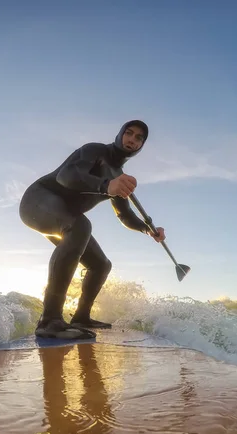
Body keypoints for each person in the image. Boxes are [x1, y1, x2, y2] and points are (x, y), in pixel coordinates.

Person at [18, 120, 166, 340]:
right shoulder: (95, 150)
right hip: (37, 201)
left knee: (100, 264)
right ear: (119, 134)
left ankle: (81, 316)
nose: (132, 140)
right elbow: (66, 176)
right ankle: (50, 320)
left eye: (138, 139)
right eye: (129, 133)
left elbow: (125, 216)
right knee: (80, 226)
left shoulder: (118, 175)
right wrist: (106, 186)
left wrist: (148, 230)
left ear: (141, 146)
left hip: (65, 217)